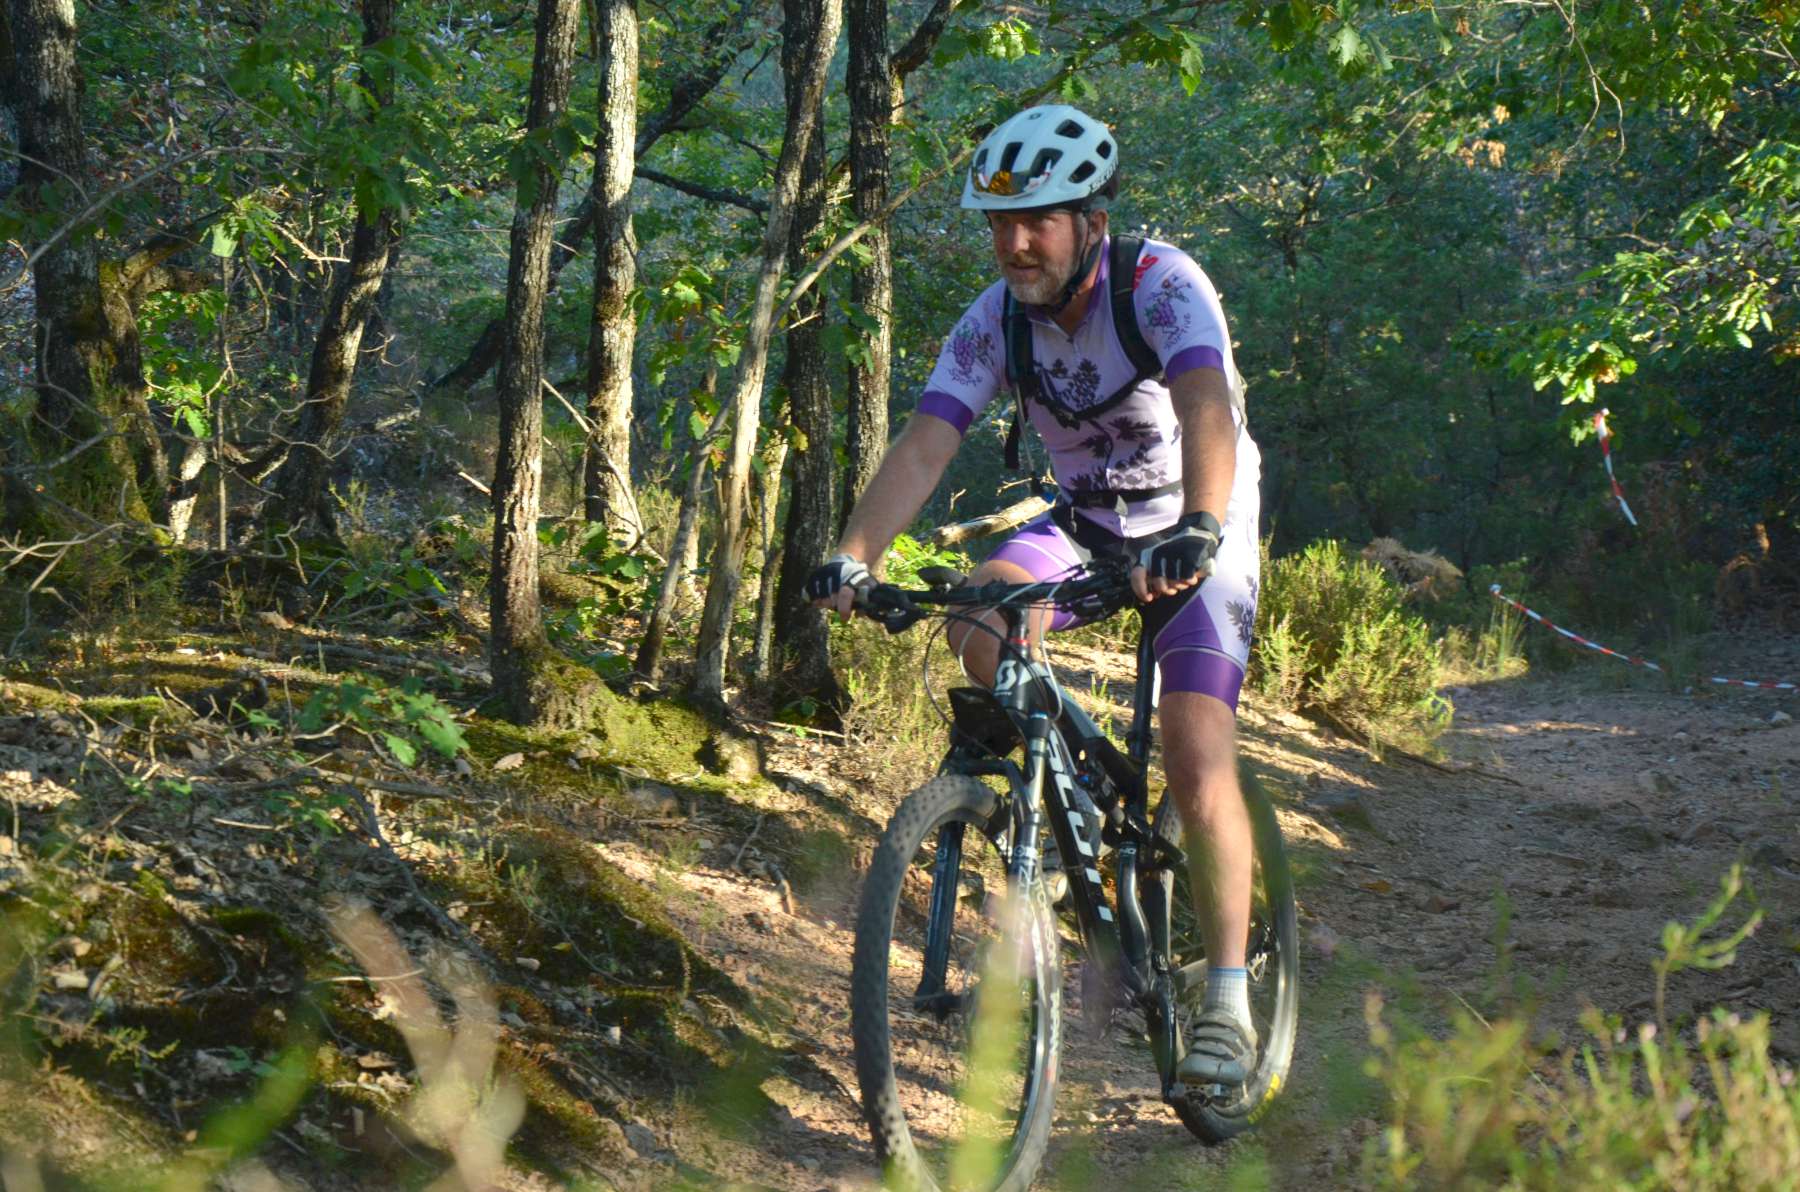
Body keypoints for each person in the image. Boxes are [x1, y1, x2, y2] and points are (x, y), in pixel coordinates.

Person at [805, 104, 1264, 1088]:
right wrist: (852, 556)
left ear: (1091, 220)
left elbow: (1206, 407)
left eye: (1037, 222)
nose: (1015, 243)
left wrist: (1200, 524)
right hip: (1090, 523)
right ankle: (1076, 794)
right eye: (1000, 224)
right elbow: (926, 444)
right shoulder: (995, 322)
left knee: (1194, 751)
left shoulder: (1162, 285)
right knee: (979, 615)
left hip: (1198, 518)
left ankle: (1227, 1002)